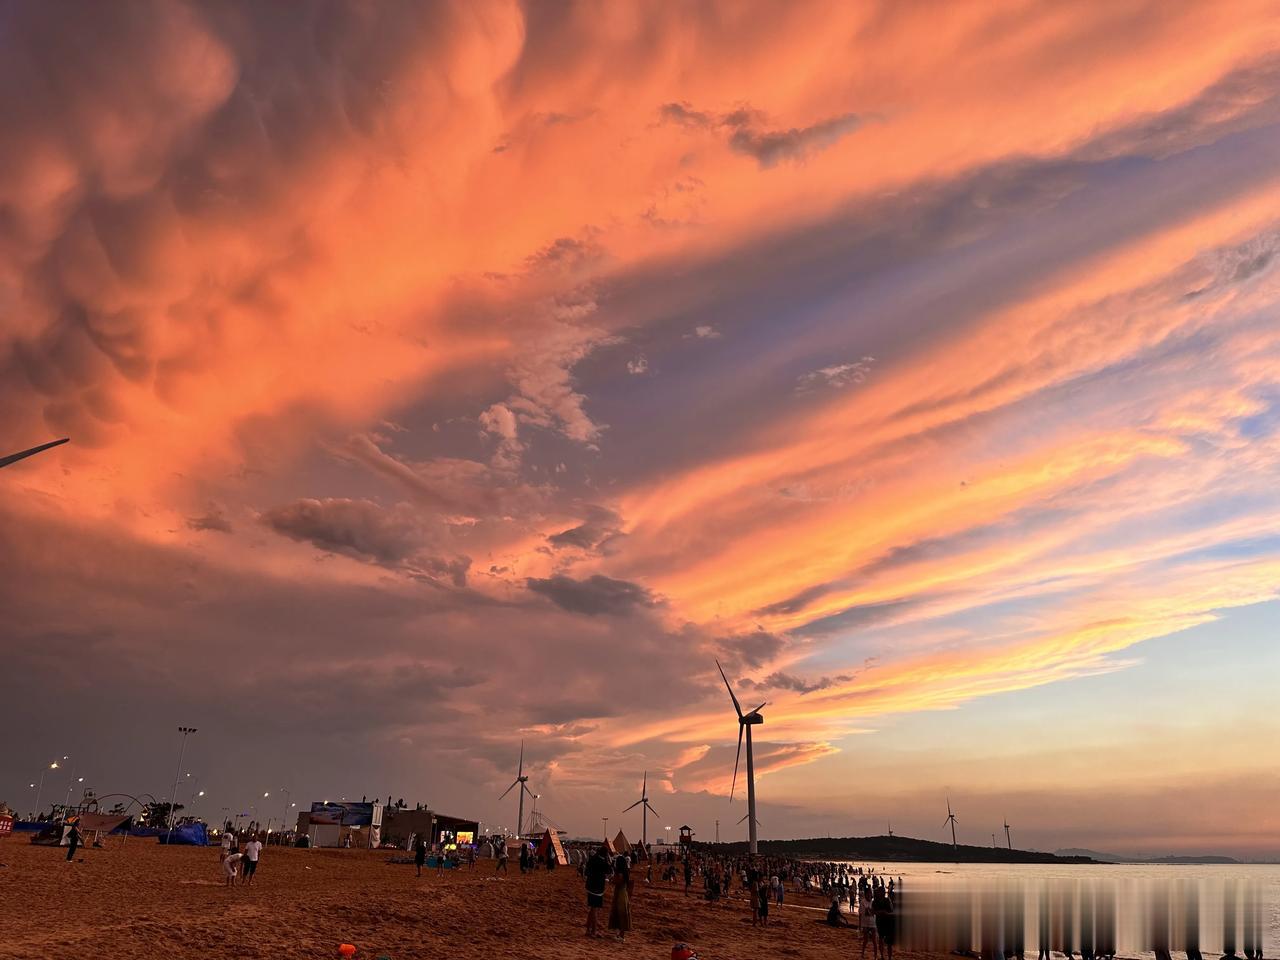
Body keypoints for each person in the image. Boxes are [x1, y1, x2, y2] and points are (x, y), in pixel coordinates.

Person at [584, 845, 610, 938]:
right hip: (597, 888)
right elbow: (609, 871)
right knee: (595, 910)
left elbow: (587, 871)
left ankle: (588, 930)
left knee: (592, 909)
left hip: (590, 886)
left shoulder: (593, 859)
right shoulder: (602, 862)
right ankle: (594, 931)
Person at [609, 853, 633, 942]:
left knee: (621, 914)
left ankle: (621, 936)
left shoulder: (620, 873)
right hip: (624, 893)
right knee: (622, 914)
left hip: (620, 893)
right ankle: (620, 935)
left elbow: (618, 881)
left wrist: (612, 880)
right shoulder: (626, 871)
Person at [874, 884, 896, 960]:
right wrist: (881, 912)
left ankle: (889, 957)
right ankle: (883, 956)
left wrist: (885, 913)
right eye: (879, 892)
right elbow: (873, 912)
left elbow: (892, 912)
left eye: (881, 892)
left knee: (888, 942)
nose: (879, 893)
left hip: (888, 923)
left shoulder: (887, 900)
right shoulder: (876, 901)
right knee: (881, 939)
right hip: (880, 923)